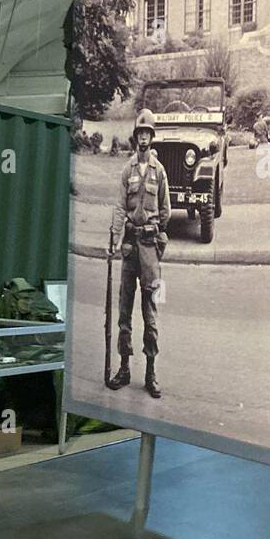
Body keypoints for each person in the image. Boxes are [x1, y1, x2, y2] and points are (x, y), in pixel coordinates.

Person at [109, 110, 170, 398]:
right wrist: (114, 236)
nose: (143, 138)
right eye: (140, 133)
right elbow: (120, 207)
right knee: (124, 310)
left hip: (149, 250)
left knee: (151, 312)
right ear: (136, 137)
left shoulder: (159, 171)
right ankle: (124, 367)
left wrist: (158, 233)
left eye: (147, 133)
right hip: (130, 246)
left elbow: (166, 209)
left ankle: (151, 371)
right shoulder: (127, 170)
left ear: (152, 137)